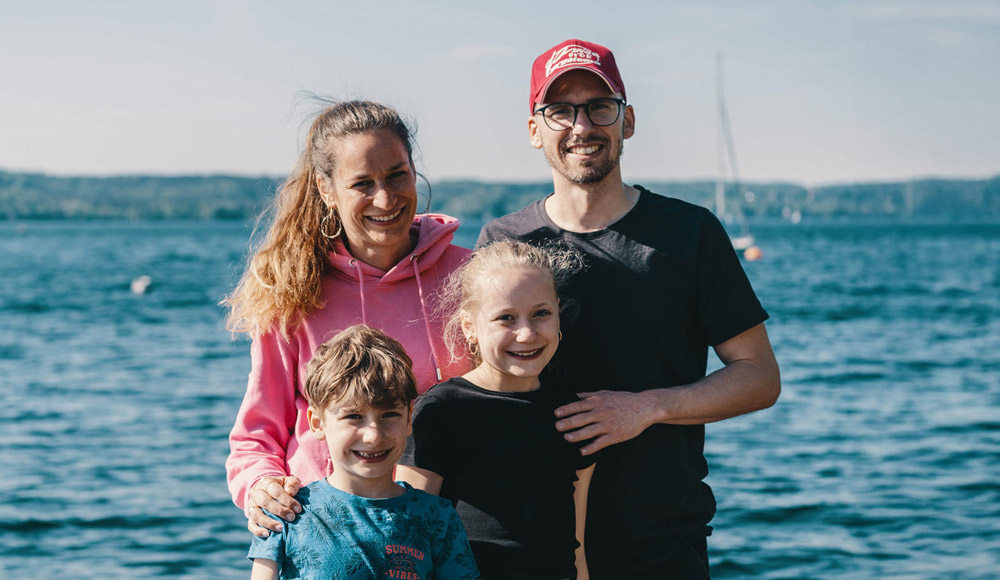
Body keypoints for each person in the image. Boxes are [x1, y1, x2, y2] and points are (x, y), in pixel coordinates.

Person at [476, 39, 781, 579]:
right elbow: (477, 388)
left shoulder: (689, 234)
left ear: (628, 120)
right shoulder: (504, 242)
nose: (581, 126)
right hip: (535, 546)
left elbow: (759, 377)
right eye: (559, 111)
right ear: (534, 130)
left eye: (600, 106)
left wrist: (648, 408)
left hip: (663, 543)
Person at [224, 100, 471, 538]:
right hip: (327, 536)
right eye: (362, 183)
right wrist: (262, 486)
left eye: (397, 175)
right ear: (326, 189)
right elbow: (255, 437)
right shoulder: (292, 287)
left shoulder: (470, 277)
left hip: (450, 535)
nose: (385, 198)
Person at [396, 241, 596, 580]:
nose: (527, 333)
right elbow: (408, 533)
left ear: (558, 312)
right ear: (470, 325)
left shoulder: (571, 414)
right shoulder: (442, 410)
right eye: (506, 318)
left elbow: (576, 548)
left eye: (541, 314)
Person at [248, 325, 480, 580]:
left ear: (409, 418)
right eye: (354, 416)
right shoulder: (286, 513)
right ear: (316, 423)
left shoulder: (438, 517)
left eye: (389, 415)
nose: (373, 435)